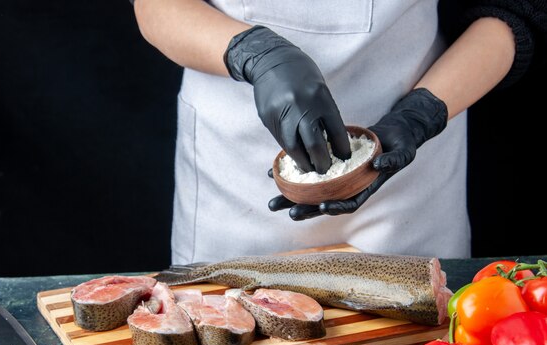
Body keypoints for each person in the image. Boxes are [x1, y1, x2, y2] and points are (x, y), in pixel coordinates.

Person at [131, 0, 546, 264]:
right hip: (237, 167)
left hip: (411, 175)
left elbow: (515, 9)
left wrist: (422, 114)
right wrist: (255, 54)